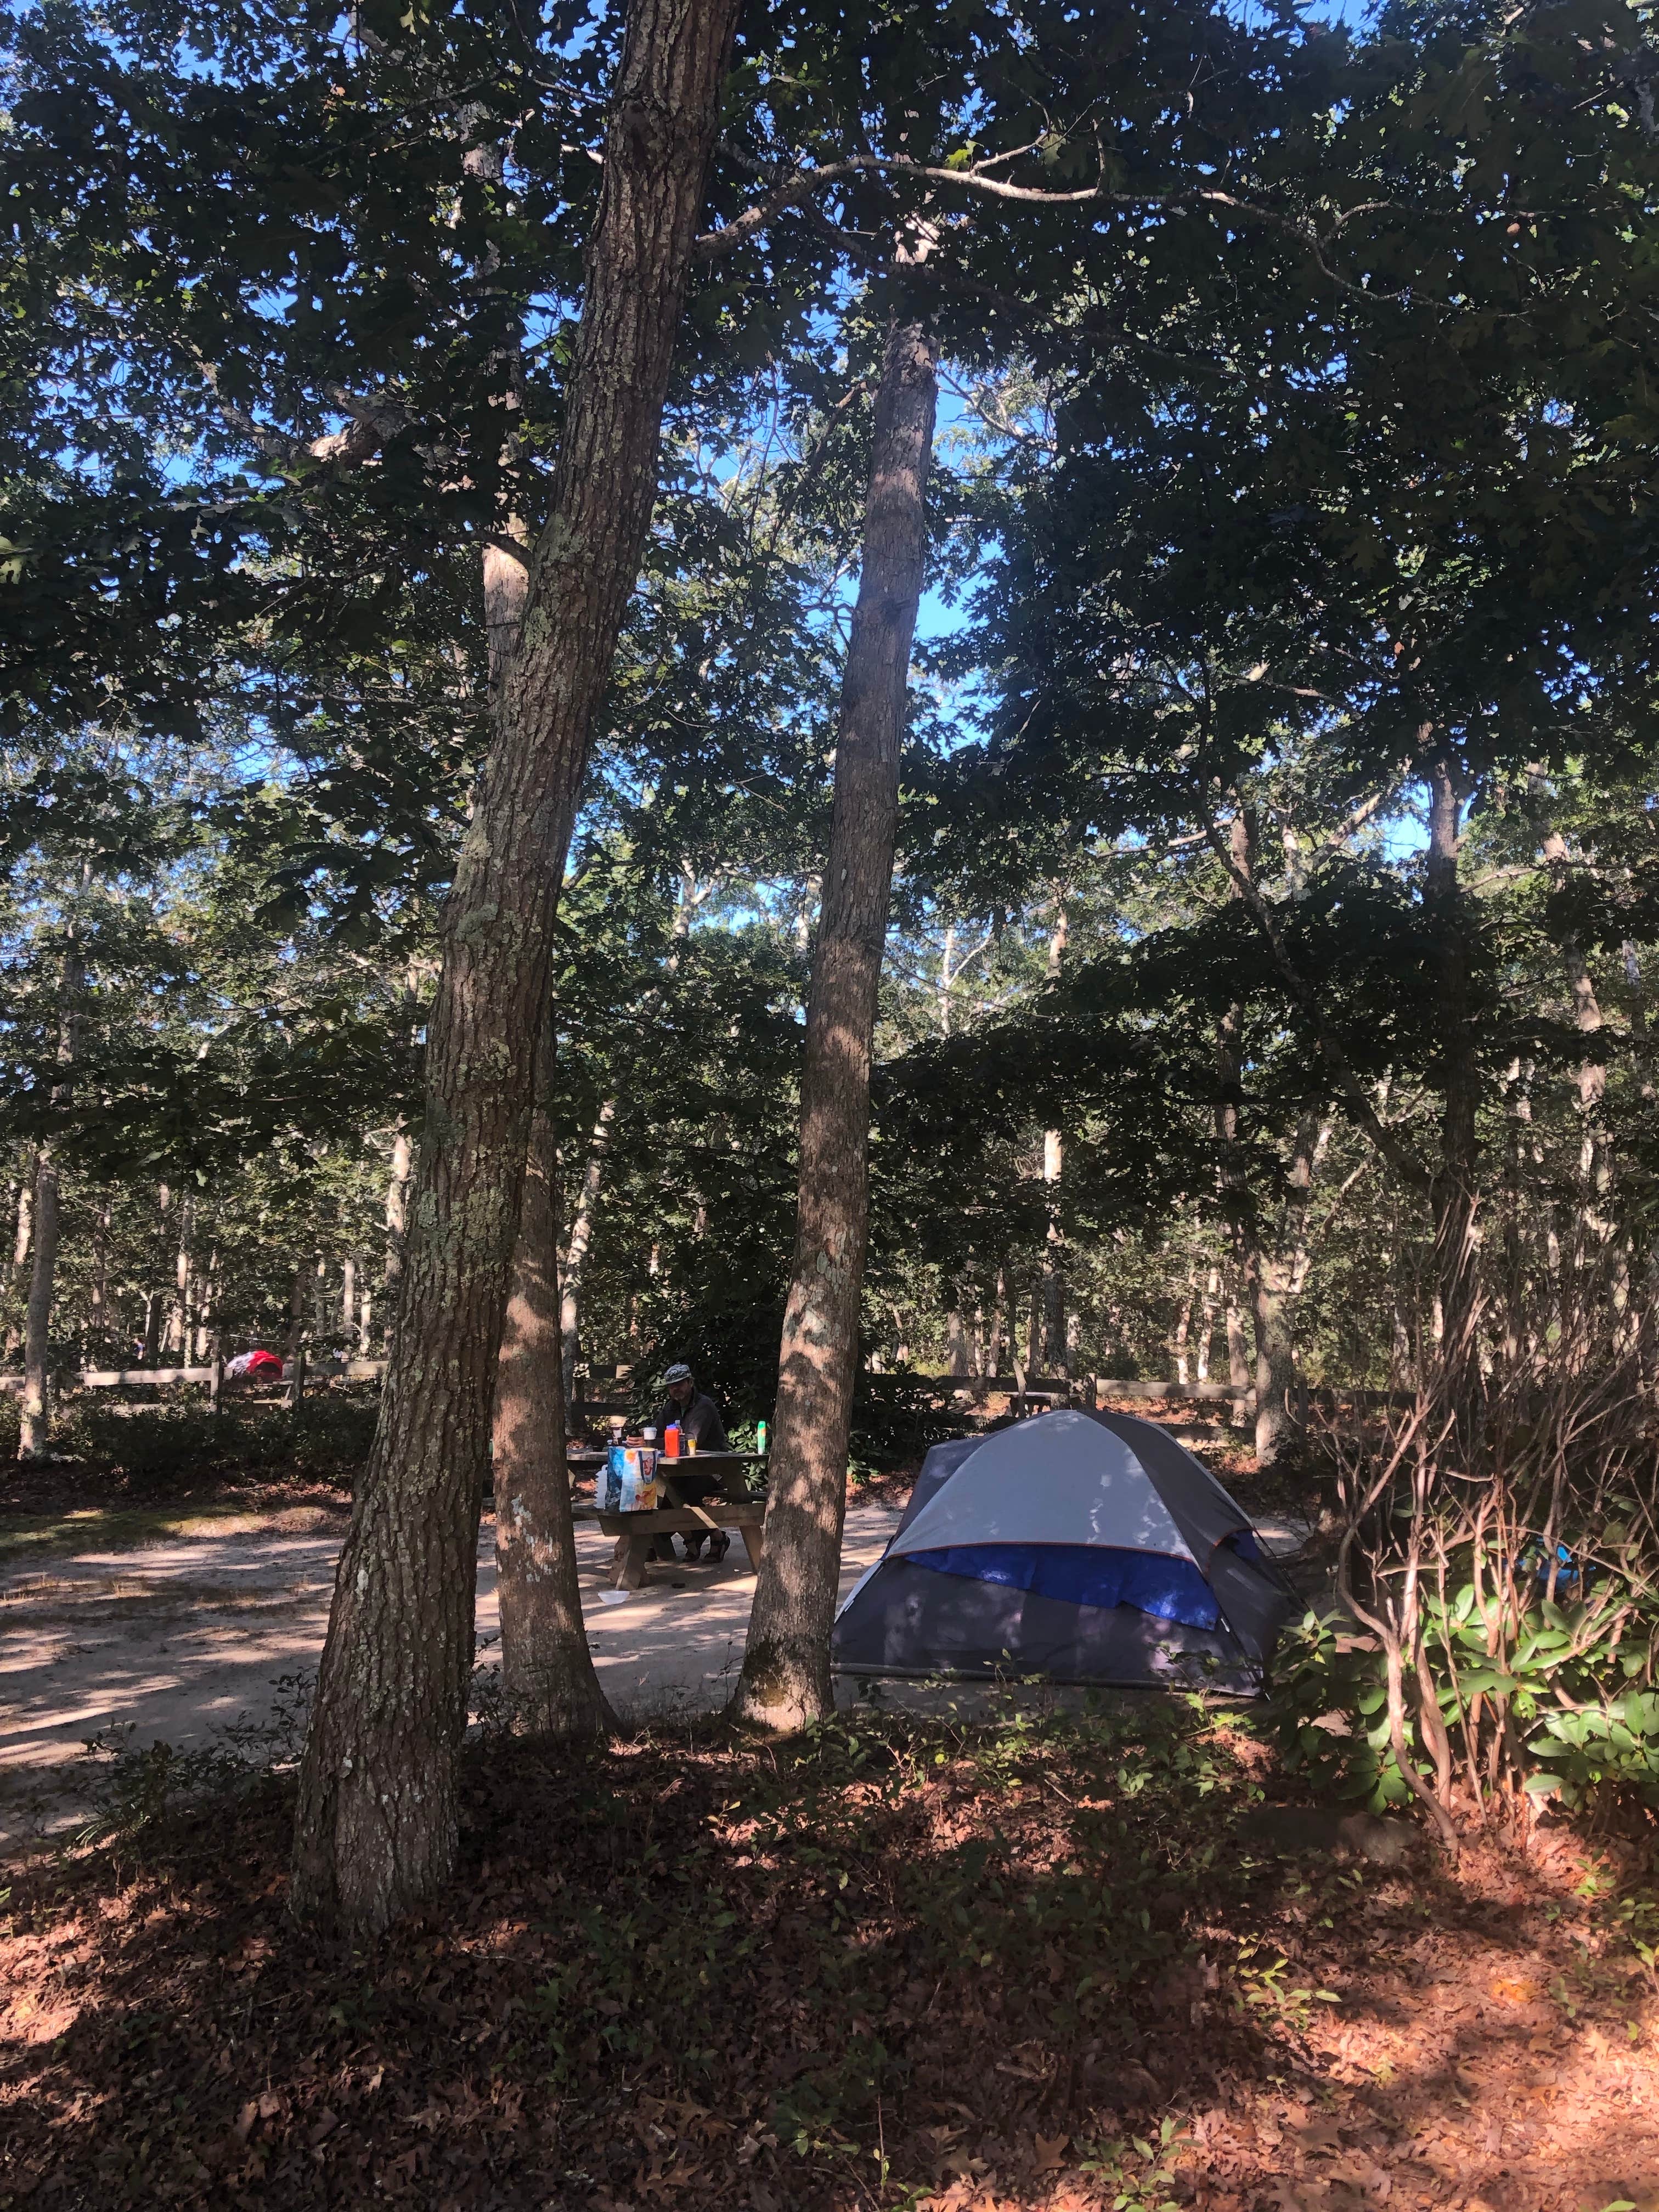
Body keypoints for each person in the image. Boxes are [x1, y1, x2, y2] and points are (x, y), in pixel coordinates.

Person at [654, 1362, 730, 1561]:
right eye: (671, 1386)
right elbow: (655, 1432)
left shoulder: (703, 1405)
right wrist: (642, 1440)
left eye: (679, 1384)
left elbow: (691, 1439)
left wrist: (659, 1440)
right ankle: (706, 1537)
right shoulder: (669, 1408)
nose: (675, 1389)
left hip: (713, 1468)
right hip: (683, 1470)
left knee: (680, 1494)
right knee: (662, 1494)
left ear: (690, 1383)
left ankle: (705, 1538)